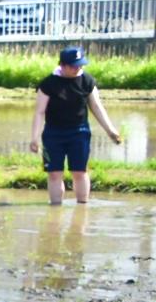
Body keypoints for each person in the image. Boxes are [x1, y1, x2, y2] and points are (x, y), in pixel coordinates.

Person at [31, 46, 122, 206]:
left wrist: (110, 130)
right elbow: (40, 112)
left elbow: (96, 107)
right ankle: (55, 209)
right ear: (62, 65)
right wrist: (34, 138)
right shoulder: (48, 84)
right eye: (74, 65)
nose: (78, 68)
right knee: (54, 173)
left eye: (80, 65)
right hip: (53, 134)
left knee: (79, 171)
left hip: (79, 132)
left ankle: (82, 208)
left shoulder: (87, 81)